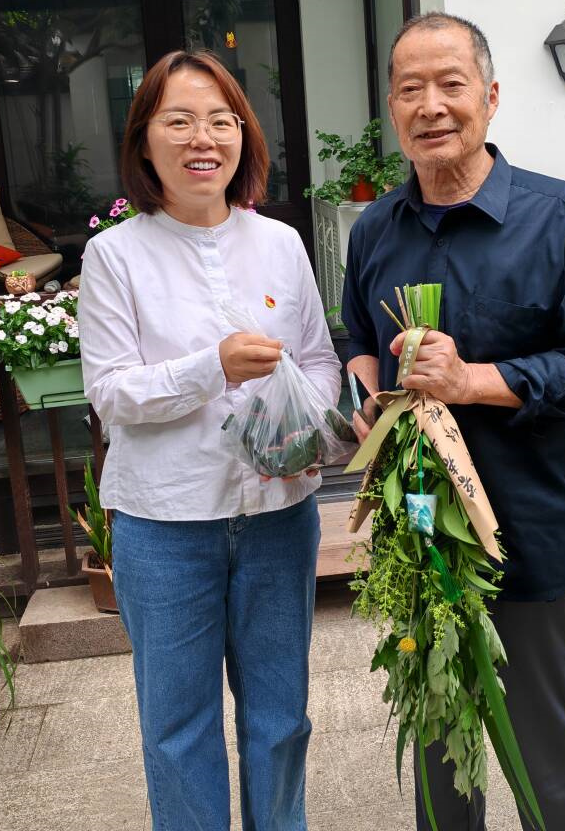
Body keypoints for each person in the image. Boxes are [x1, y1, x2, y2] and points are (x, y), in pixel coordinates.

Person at [342, 12, 565, 831]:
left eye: (451, 84)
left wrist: (472, 380)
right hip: (419, 531)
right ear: (392, 109)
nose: (431, 106)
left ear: (492, 96)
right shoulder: (374, 231)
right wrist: (364, 388)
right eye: (410, 90)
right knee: (439, 732)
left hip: (526, 528)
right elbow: (354, 336)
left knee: (547, 743)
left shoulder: (563, 218)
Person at [79, 50, 341, 831]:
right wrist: (211, 368)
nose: (204, 138)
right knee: (178, 729)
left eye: (221, 121)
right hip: (165, 526)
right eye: (180, 121)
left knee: (281, 717)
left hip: (279, 518)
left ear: (243, 135)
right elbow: (111, 393)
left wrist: (306, 426)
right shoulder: (115, 255)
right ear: (143, 140)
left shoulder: (281, 243)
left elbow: (319, 360)